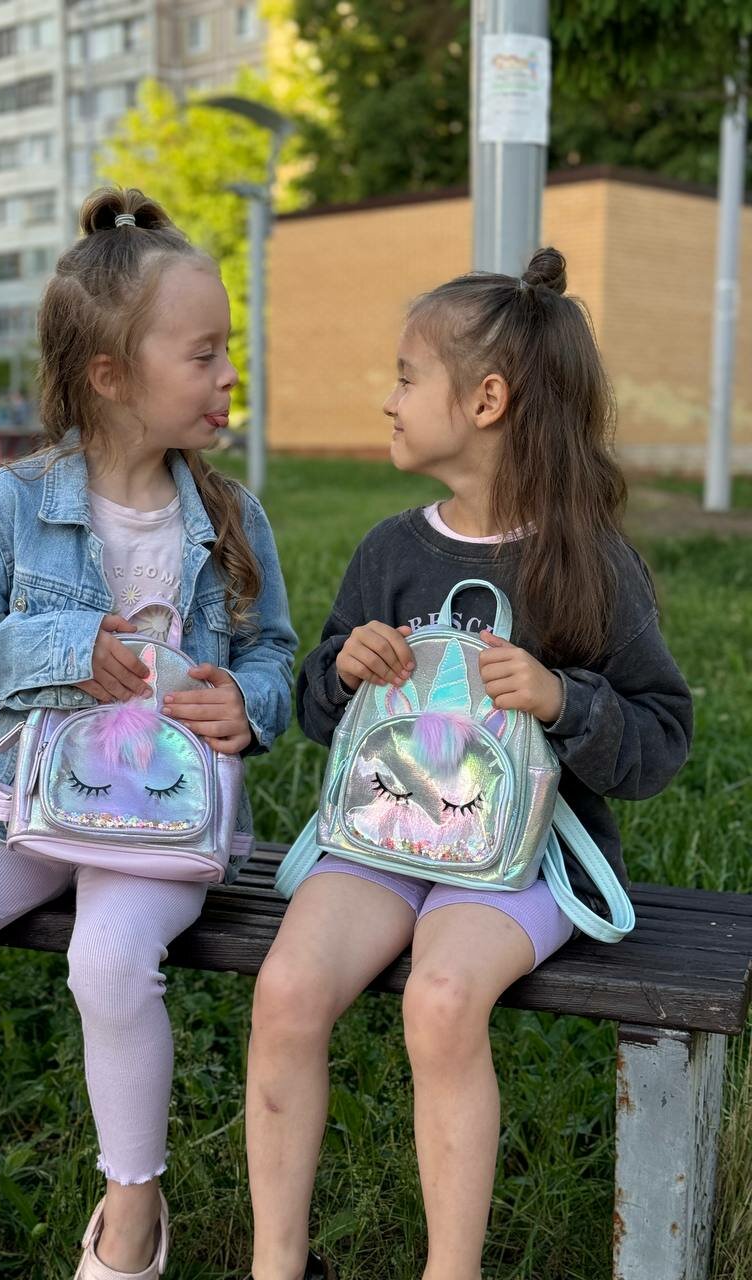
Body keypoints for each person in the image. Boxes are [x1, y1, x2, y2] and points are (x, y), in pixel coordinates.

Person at [0, 186, 297, 1280]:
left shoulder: (232, 515)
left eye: (228, 350)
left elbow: (273, 651)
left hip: (163, 821)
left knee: (109, 960)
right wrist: (58, 645)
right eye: (204, 354)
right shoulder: (4, 507)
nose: (230, 374)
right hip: (21, 805)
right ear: (111, 375)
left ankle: (131, 1218)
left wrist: (250, 706)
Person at [243, 247, 692, 1280]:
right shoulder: (390, 551)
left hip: (525, 861)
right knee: (288, 988)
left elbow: (661, 736)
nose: (389, 399)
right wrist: (342, 668)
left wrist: (564, 699)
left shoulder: (589, 563)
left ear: (486, 401)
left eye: (407, 376)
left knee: (441, 999)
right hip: (384, 834)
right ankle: (277, 1262)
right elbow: (318, 712)